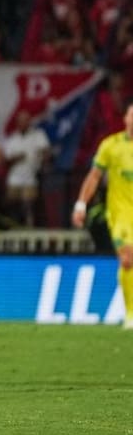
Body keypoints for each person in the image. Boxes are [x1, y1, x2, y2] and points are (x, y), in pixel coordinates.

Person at [72, 98, 133, 329]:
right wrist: (81, 204)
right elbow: (94, 176)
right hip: (121, 214)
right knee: (127, 259)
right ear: (125, 118)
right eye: (132, 115)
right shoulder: (111, 146)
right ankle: (130, 315)